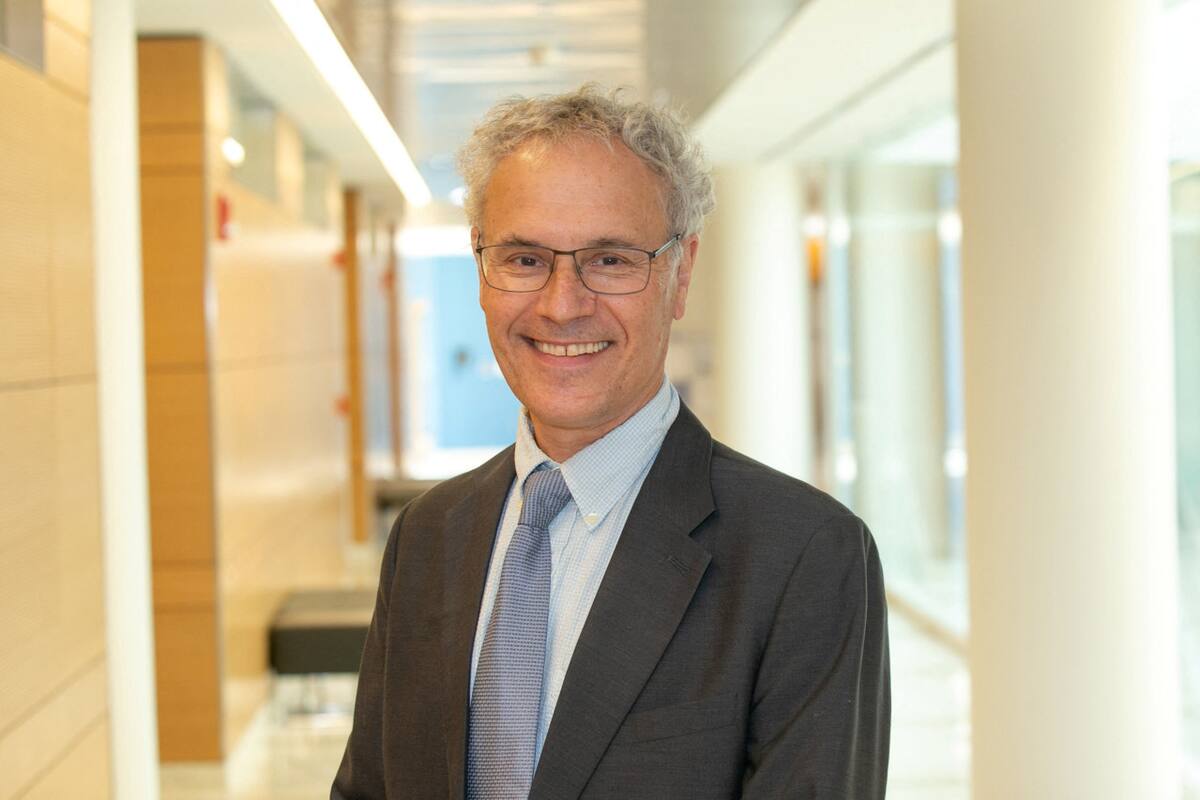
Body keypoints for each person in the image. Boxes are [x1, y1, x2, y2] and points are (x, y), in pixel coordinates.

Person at [331, 85, 889, 800]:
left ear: (679, 275)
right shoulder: (427, 536)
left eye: (612, 260)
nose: (563, 305)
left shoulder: (803, 557)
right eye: (525, 259)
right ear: (480, 268)